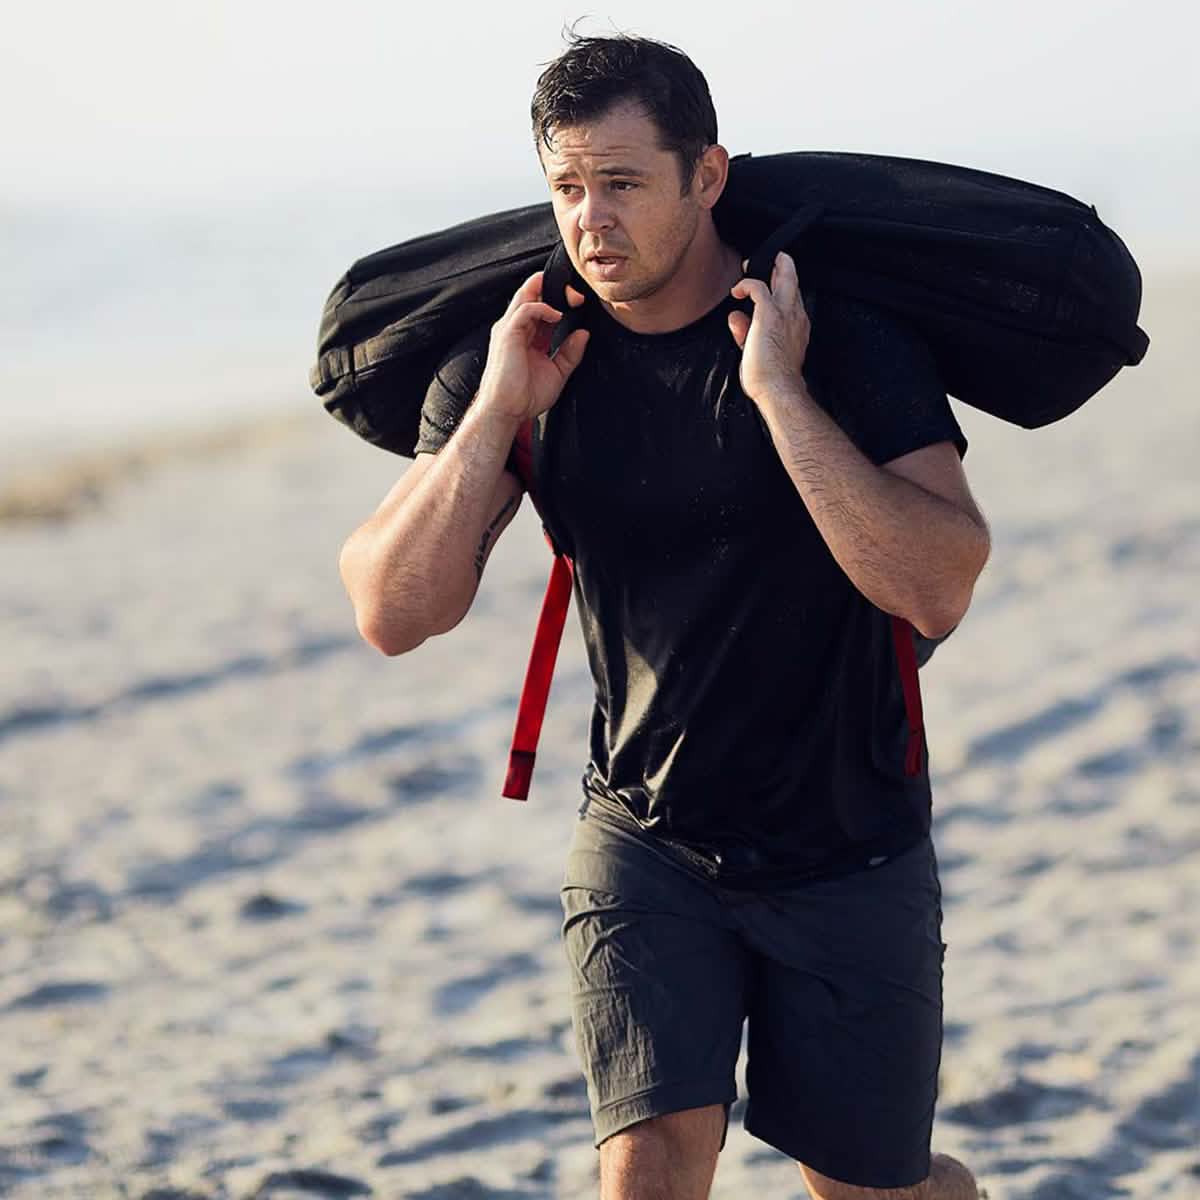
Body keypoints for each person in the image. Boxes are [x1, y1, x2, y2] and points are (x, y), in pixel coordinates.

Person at [338, 31, 990, 1200]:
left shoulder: (833, 336)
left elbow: (939, 578)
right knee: (645, 1167)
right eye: (568, 187)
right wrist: (493, 415)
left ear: (710, 175)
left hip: (850, 840)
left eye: (625, 183)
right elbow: (391, 611)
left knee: (868, 1191)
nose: (591, 220)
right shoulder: (528, 353)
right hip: (645, 836)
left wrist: (782, 397)